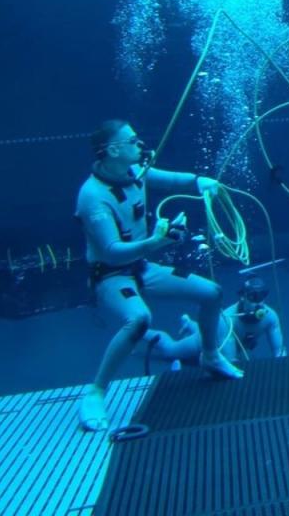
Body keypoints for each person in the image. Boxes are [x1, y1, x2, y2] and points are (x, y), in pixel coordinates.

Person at [75, 119, 244, 432]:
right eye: (133, 141)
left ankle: (210, 355)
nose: (141, 145)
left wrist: (200, 182)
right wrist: (155, 242)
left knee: (211, 293)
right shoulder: (93, 196)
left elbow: (173, 180)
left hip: (143, 268)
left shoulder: (135, 174)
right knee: (138, 319)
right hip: (112, 276)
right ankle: (96, 392)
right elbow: (111, 250)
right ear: (113, 149)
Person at [143, 275, 286, 366]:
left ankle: (189, 324)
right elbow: (232, 362)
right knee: (170, 350)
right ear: (243, 297)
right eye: (253, 297)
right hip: (207, 341)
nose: (259, 302)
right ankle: (142, 331)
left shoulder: (270, 317)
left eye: (262, 296)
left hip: (223, 336)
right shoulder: (228, 320)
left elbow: (279, 352)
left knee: (204, 328)